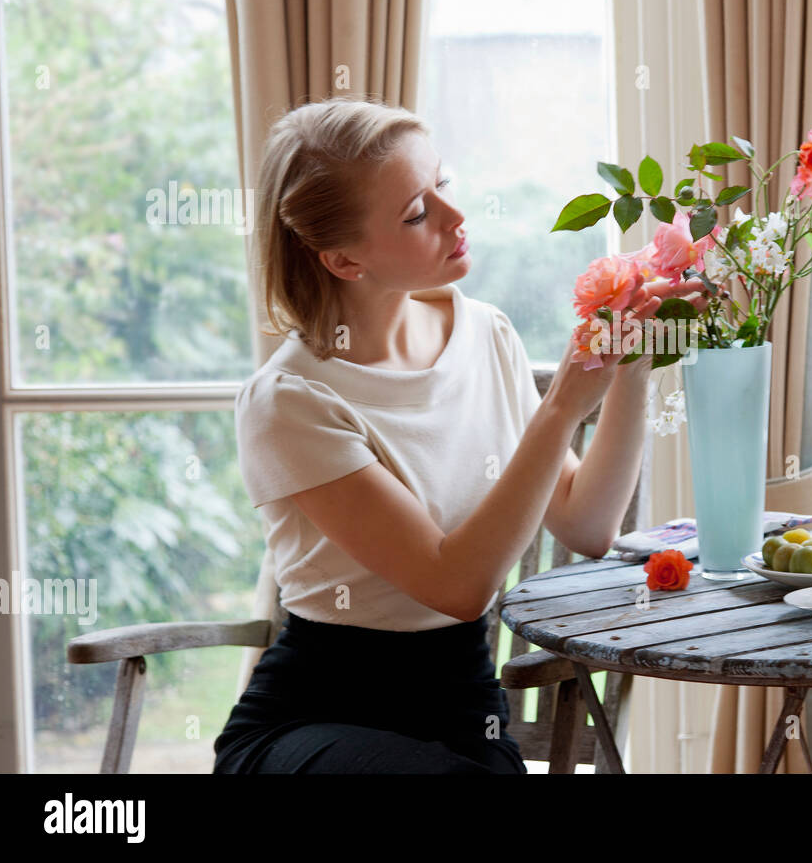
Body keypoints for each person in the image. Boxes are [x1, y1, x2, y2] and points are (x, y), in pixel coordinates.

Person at [212, 97, 708, 773]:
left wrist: (632, 364)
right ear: (344, 261)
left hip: (463, 710)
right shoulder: (291, 402)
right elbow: (456, 585)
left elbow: (588, 524)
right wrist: (561, 407)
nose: (456, 217)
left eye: (442, 183)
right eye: (417, 213)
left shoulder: (485, 334)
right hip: (316, 718)